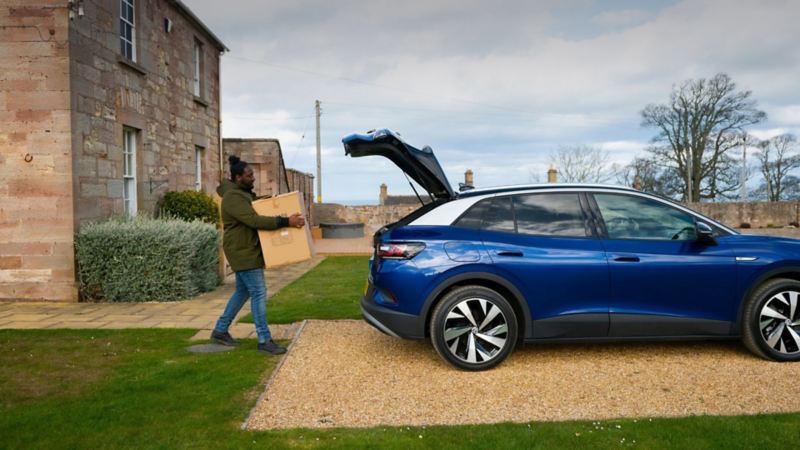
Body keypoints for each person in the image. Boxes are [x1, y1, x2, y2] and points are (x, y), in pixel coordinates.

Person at [210, 155, 305, 355]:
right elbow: (254, 220)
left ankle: (220, 330)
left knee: (243, 291)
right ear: (237, 178)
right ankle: (264, 339)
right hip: (242, 251)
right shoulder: (233, 198)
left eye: (252, 174)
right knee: (259, 293)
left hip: (246, 249)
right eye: (249, 175)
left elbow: (257, 206)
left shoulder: (242, 194)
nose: (253, 178)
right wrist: (286, 221)